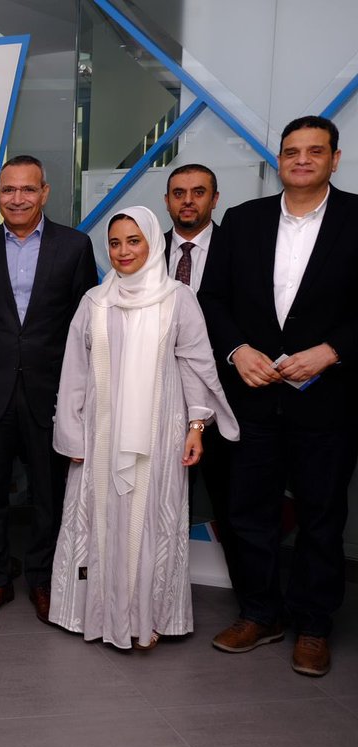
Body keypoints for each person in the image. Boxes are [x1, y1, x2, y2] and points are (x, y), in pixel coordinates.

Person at [199, 116, 358, 677]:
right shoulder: (244, 221)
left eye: (315, 151)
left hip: (328, 400)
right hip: (254, 397)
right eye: (292, 151)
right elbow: (211, 299)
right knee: (249, 512)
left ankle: (313, 626)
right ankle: (259, 614)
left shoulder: (356, 218)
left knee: (321, 516)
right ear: (279, 160)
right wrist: (237, 350)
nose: (302, 160)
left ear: (335, 159)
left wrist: (333, 351)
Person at [49, 206, 238, 649]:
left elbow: (196, 365)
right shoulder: (94, 302)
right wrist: (72, 433)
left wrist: (197, 425)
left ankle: (148, 618)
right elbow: (74, 373)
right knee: (100, 523)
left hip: (159, 435)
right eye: (115, 243)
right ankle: (97, 615)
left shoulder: (178, 298)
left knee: (149, 521)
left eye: (133, 241)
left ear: (152, 244)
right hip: (100, 435)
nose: (123, 251)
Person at [0, 154, 97, 623]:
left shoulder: (74, 246)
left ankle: (41, 580)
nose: (17, 198)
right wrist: (1, 355)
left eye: (27, 189)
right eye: (8, 190)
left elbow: (83, 320)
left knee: (47, 494)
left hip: (51, 391)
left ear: (45, 193)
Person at [162, 165, 236, 577]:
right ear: (167, 201)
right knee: (163, 502)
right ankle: (160, 589)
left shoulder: (239, 249)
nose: (188, 200)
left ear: (215, 198)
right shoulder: (146, 250)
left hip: (224, 396)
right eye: (179, 193)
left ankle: (252, 602)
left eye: (198, 192)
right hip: (160, 399)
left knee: (232, 502)